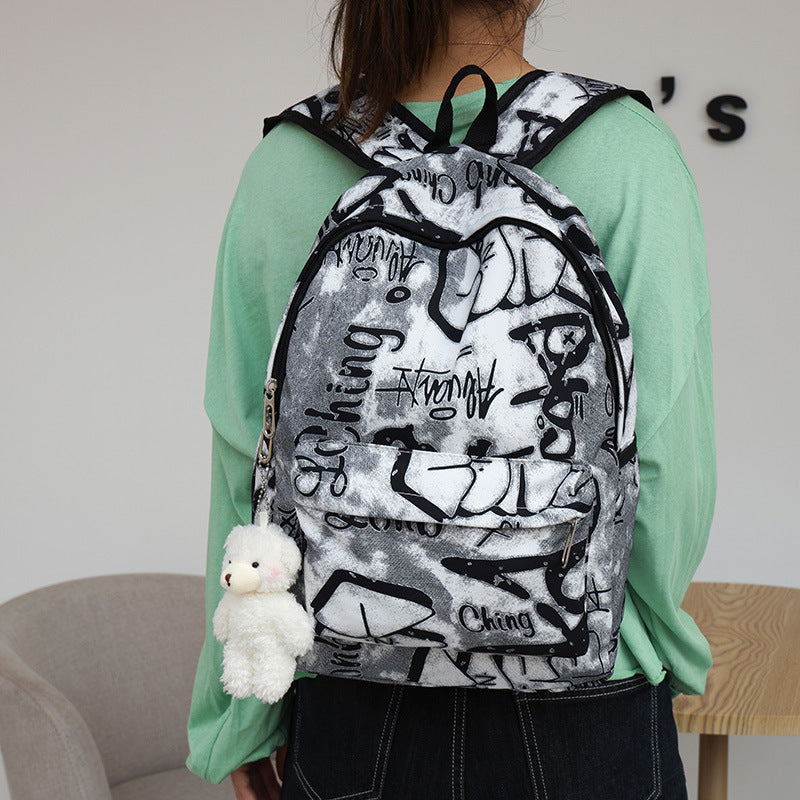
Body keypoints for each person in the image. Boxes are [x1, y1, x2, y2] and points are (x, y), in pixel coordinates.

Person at [186, 1, 716, 798]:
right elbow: (670, 470)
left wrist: (239, 719)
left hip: (347, 697)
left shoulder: (288, 164)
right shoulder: (628, 153)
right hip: (585, 700)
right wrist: (656, 644)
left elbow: (245, 460)